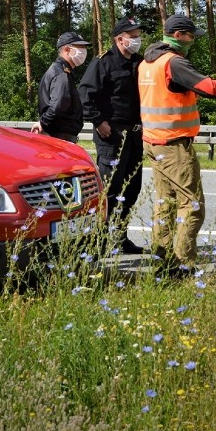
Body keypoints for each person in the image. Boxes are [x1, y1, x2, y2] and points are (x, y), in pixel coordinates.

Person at [138, 14, 216, 278]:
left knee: (165, 204)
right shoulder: (173, 62)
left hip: (154, 142)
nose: (193, 40)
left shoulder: (148, 62)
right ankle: (183, 265)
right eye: (191, 36)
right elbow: (210, 88)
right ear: (178, 35)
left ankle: (163, 262)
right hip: (174, 145)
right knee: (192, 206)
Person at [79, 16, 146, 255]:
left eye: (138, 35)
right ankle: (98, 242)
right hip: (112, 137)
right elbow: (86, 95)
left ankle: (119, 237)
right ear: (120, 39)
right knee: (110, 191)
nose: (138, 40)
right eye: (134, 36)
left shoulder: (139, 62)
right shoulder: (103, 63)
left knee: (131, 189)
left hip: (135, 136)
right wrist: (99, 121)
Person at [31, 31, 90, 143]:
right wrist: (44, 122)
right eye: (80, 47)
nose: (84, 51)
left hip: (60, 135)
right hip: (59, 136)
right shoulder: (61, 73)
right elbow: (58, 104)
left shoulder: (62, 71)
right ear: (67, 50)